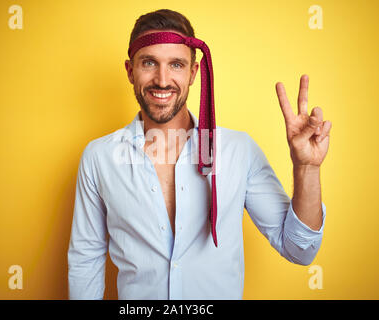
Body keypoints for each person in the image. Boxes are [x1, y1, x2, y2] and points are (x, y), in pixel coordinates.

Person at [67, 9, 332, 300]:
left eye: (176, 65)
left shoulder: (238, 151)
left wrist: (306, 168)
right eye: (149, 63)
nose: (162, 79)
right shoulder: (98, 158)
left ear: (193, 73)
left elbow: (300, 250)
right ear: (130, 71)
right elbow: (86, 259)